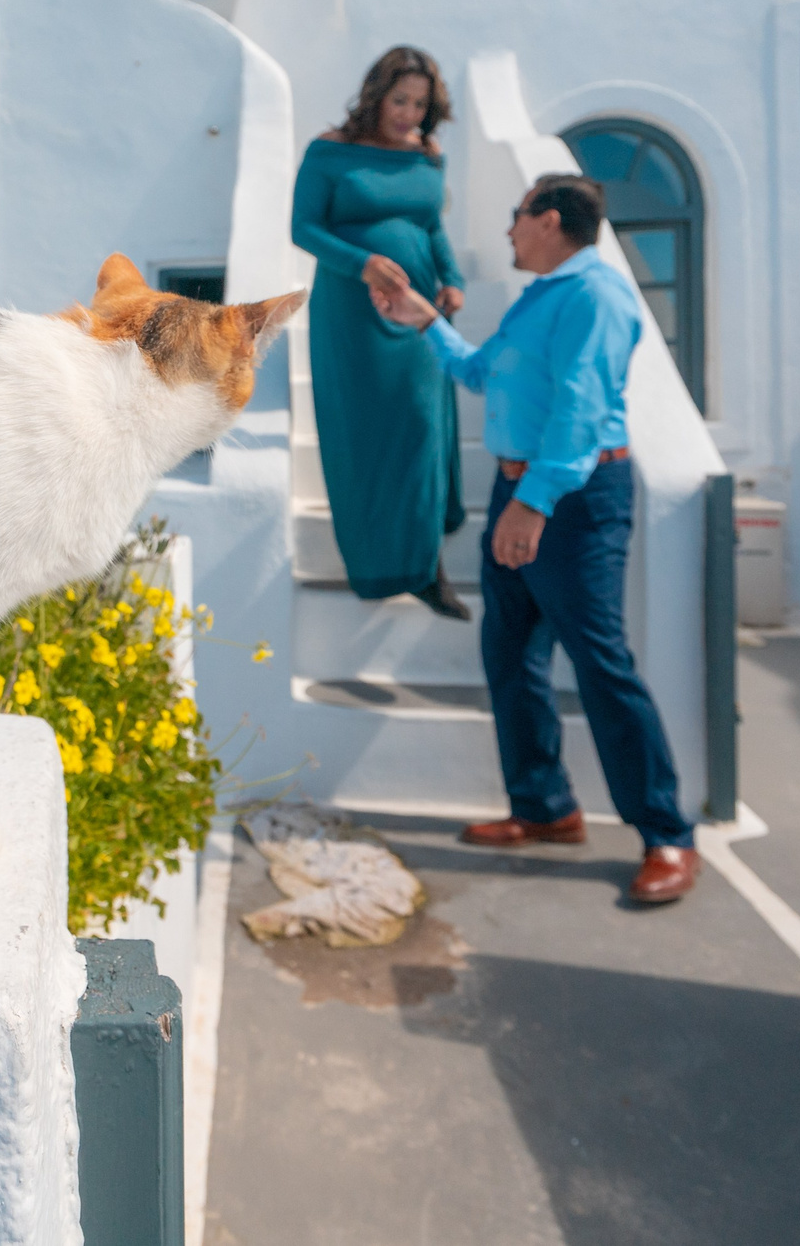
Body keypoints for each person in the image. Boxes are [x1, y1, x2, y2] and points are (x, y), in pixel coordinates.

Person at [372, 173, 698, 905]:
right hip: (523, 491)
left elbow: (582, 411)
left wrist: (532, 503)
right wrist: (423, 319)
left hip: (571, 500)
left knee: (601, 663)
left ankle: (669, 834)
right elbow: (480, 372)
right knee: (511, 654)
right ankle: (545, 807)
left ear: (549, 219)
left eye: (517, 216)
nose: (511, 230)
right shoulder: (541, 297)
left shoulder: (596, 295)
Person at [290, 49, 471, 616]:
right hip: (352, 311)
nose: (409, 114)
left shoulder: (427, 156)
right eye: (400, 100)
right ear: (376, 95)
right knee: (367, 438)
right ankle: (378, 563)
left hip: (415, 310)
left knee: (423, 428)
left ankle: (426, 567)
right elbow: (303, 228)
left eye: (420, 104)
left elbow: (431, 225)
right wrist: (361, 263)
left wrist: (453, 278)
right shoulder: (331, 152)